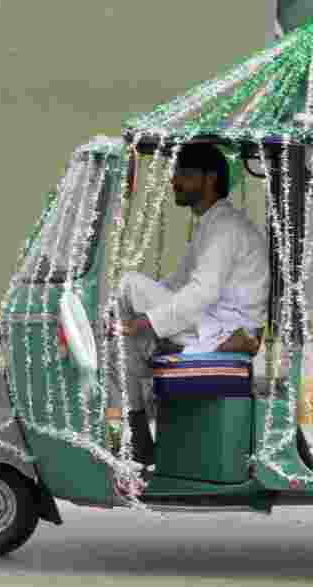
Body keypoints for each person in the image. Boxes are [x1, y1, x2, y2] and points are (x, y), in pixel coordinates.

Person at [108, 143, 270, 466]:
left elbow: (200, 293)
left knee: (128, 287)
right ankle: (138, 434)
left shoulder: (224, 228)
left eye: (183, 174)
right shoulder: (211, 224)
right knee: (119, 341)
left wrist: (143, 322)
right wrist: (132, 320)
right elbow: (176, 284)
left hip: (224, 330)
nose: (174, 182)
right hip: (209, 323)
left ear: (209, 179)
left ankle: (138, 434)